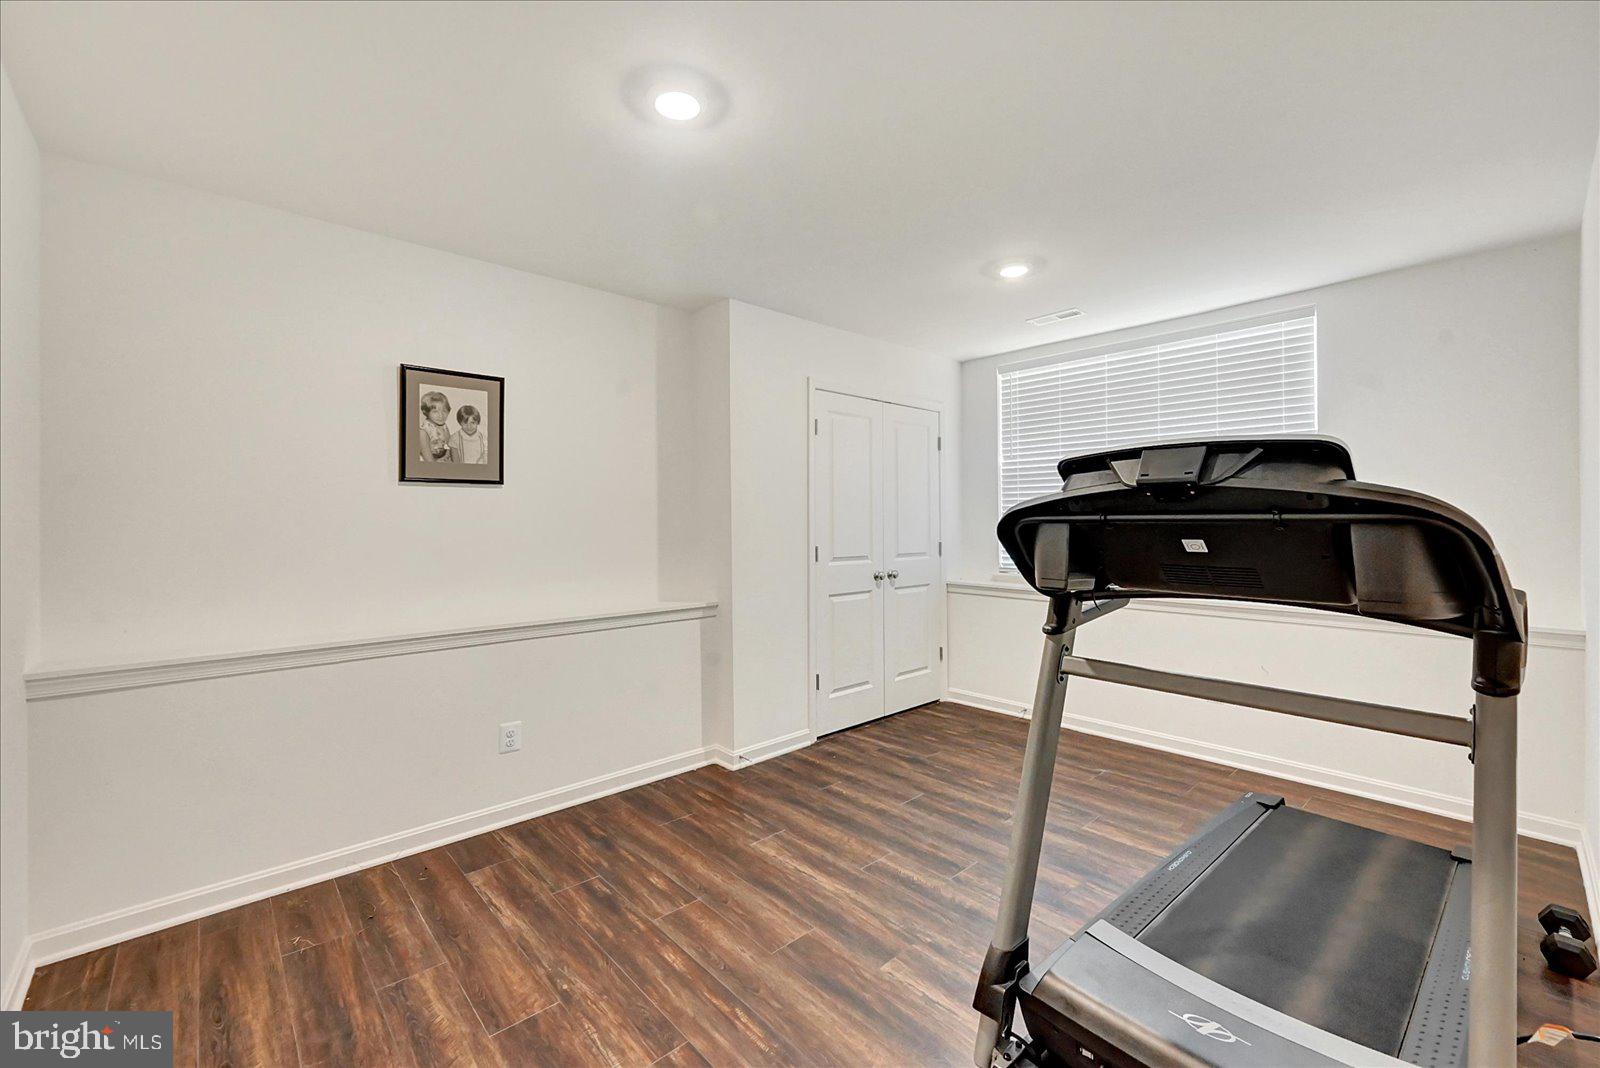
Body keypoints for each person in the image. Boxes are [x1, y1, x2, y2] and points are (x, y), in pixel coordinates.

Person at [419, 391, 453, 461]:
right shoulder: (424, 431)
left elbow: (450, 444)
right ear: (427, 412)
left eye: (444, 411)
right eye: (435, 411)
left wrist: (447, 455)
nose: (441, 415)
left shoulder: (444, 426)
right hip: (428, 459)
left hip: (442, 457)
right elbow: (427, 457)